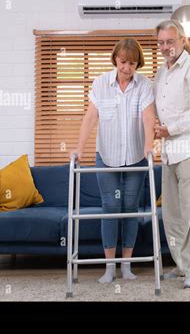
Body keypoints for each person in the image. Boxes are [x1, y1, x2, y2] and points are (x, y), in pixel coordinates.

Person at [70, 38, 156, 283]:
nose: (127, 68)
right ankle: (109, 267)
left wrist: (149, 146)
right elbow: (90, 118)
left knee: (129, 210)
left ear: (138, 63)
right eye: (122, 62)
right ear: (115, 59)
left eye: (132, 63)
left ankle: (126, 266)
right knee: (110, 209)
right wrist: (79, 148)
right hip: (106, 156)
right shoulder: (100, 83)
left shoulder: (144, 85)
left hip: (136, 156)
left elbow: (148, 118)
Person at [153, 20, 190, 288]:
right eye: (161, 42)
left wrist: (169, 129)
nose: (165, 47)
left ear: (182, 41)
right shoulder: (161, 73)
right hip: (169, 152)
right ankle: (181, 265)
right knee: (173, 214)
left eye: (170, 41)